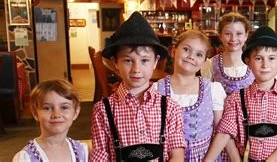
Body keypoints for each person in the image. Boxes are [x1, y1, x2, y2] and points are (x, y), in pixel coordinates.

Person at [90, 12, 186, 161]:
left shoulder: (170, 108)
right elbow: (100, 157)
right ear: (115, 62)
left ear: (155, 62)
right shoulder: (102, 110)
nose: (136, 69)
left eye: (145, 60)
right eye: (128, 60)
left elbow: (177, 155)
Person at [204, 26, 277, 161]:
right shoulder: (237, 99)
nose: (265, 64)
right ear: (248, 62)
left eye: (271, 58)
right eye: (258, 58)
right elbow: (224, 133)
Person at [156, 30, 227, 161]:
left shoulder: (212, 90)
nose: (191, 56)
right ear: (173, 51)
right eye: (186, 49)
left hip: (205, 157)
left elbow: (221, 131)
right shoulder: (156, 90)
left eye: (199, 54)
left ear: (204, 62)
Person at [13, 79, 88, 162]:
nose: (56, 114)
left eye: (64, 107)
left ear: (76, 112)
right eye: (47, 108)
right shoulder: (25, 158)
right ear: (35, 113)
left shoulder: (82, 151)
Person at [201, 12, 255, 95]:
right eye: (228, 34)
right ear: (220, 36)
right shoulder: (211, 64)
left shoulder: (254, 63)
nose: (233, 39)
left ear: (246, 36)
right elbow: (207, 95)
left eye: (239, 34)